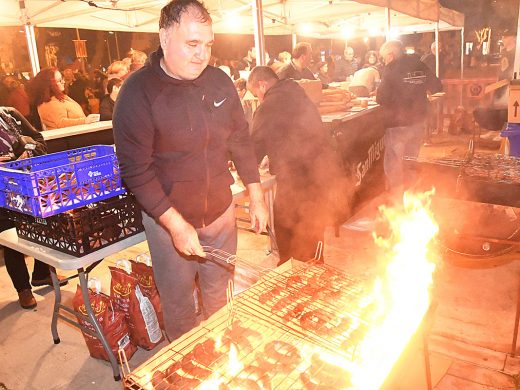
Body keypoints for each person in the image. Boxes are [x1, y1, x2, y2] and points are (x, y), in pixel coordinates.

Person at [112, 0, 268, 340]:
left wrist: (256, 194)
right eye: (192, 44)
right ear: (165, 38)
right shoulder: (137, 92)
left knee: (220, 294)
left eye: (208, 45)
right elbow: (135, 170)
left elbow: (240, 138)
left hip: (222, 215)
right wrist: (175, 224)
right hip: (169, 222)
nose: (202, 55)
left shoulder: (219, 81)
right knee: (180, 304)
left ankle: (220, 354)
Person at [247, 66, 345, 265]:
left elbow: (253, 148)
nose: (257, 98)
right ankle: (315, 268)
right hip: (322, 171)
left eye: (255, 93)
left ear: (262, 85)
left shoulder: (269, 106)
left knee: (286, 226)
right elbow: (289, 132)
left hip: (297, 176)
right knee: (314, 223)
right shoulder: (298, 93)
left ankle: (290, 271)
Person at [0, 107, 67, 309]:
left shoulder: (10, 114)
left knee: (39, 227)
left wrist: (27, 150)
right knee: (10, 237)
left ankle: (42, 273)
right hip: (2, 191)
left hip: (27, 183)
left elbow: (39, 140)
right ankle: (23, 289)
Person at [377, 40, 442, 191]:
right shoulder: (419, 64)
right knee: (410, 160)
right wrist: (418, 88)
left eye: (384, 57)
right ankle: (410, 194)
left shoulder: (391, 68)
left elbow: (381, 98)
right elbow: (437, 86)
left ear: (391, 55)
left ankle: (396, 201)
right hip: (418, 121)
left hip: (398, 124)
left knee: (395, 163)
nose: (384, 61)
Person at [27, 67, 99, 130]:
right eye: (59, 81)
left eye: (62, 79)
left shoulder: (59, 98)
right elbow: (61, 123)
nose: (63, 82)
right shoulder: (49, 103)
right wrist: (85, 121)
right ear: (49, 84)